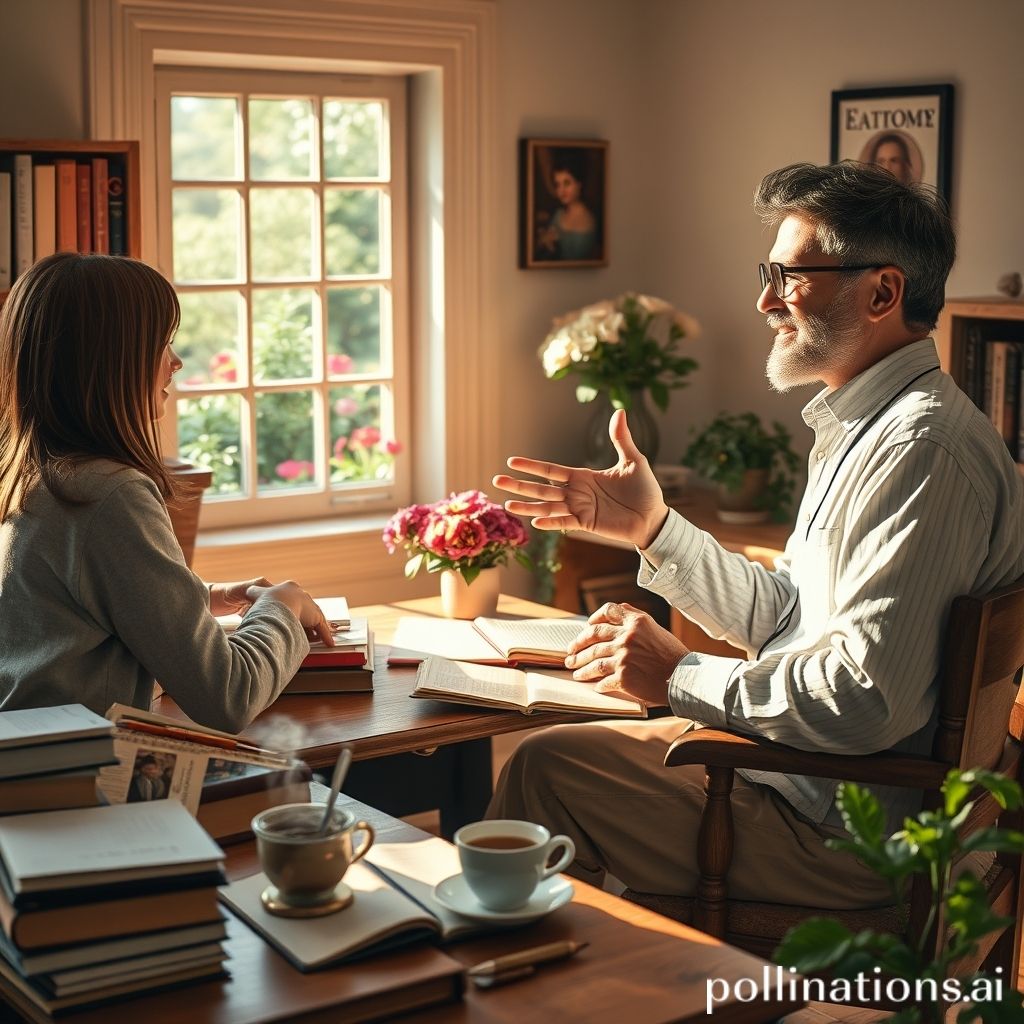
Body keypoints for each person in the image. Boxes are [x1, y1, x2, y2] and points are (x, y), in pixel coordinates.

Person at [490, 161, 1024, 909]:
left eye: (790, 275)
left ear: (882, 292)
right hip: (807, 787)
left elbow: (865, 700)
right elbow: (789, 617)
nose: (765, 300)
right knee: (556, 756)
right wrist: (654, 529)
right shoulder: (868, 426)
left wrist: (679, 676)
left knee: (545, 768)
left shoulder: (920, 453)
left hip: (849, 837)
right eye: (766, 272)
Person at [0, 252, 334, 733]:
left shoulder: (26, 475)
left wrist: (205, 596)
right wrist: (281, 607)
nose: (175, 362)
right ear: (108, 359)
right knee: (309, 788)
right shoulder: (106, 495)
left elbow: (67, 606)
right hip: (83, 785)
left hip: (25, 774)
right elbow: (228, 696)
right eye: (161, 343)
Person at [535, 150, 598, 261]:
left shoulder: (589, 221)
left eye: (567, 183)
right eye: (558, 185)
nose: (561, 190)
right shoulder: (558, 214)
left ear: (579, 184)